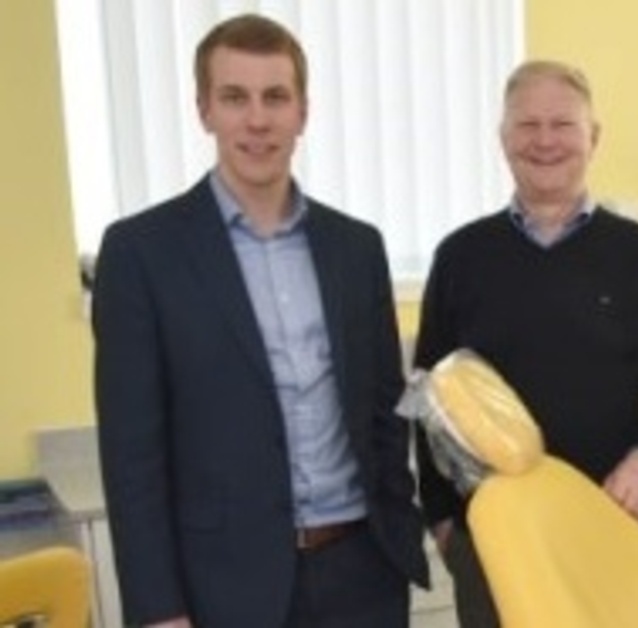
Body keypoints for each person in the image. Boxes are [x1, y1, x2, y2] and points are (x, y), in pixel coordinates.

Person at [91, 14, 428, 628]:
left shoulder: (356, 248)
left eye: (276, 97)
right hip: (222, 588)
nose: (257, 120)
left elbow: (384, 413)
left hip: (362, 576)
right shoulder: (141, 253)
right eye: (234, 97)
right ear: (204, 110)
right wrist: (158, 609)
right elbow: (131, 456)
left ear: (302, 111)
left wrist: (399, 535)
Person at [412, 59, 638, 627]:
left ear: (593, 137)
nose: (544, 141)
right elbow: (429, 401)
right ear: (503, 140)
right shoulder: (460, 258)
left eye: (562, 125)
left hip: (610, 530)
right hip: (495, 544)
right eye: (527, 126)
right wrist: (446, 522)